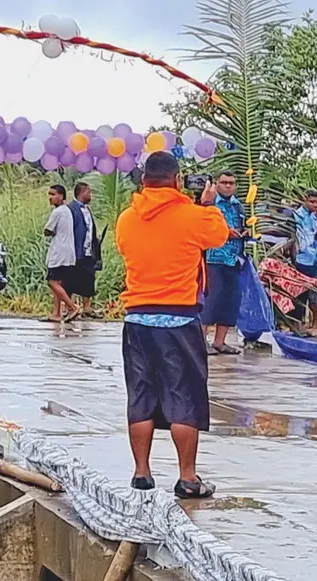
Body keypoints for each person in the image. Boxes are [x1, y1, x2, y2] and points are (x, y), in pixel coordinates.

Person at [113, 150, 230, 499]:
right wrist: (208, 205)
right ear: (177, 180)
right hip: (178, 319)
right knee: (185, 398)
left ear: (144, 181)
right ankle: (188, 478)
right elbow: (219, 236)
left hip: (137, 319)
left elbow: (126, 249)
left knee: (141, 395)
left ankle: (141, 473)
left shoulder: (126, 219)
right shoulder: (193, 215)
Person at [201, 170, 248, 355]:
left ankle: (220, 342)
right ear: (217, 184)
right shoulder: (210, 203)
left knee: (231, 301)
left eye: (231, 183)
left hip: (235, 258)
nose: (228, 186)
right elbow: (204, 226)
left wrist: (245, 232)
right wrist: (225, 232)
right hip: (214, 257)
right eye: (224, 182)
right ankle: (201, 340)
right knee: (211, 300)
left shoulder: (239, 207)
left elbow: (244, 225)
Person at [279, 191, 317, 335]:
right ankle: (295, 324)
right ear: (304, 201)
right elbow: (291, 237)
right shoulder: (294, 215)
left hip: (312, 259)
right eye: (311, 202)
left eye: (316, 202)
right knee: (297, 294)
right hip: (298, 260)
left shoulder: (313, 217)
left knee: (314, 293)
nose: (314, 205)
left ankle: (313, 325)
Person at [43, 184, 79, 322]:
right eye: (49, 195)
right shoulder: (67, 211)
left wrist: (49, 231)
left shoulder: (57, 212)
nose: (50, 198)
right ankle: (56, 313)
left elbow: (48, 230)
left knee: (52, 282)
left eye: (53, 194)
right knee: (58, 283)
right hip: (68, 252)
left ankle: (72, 307)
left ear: (61, 196)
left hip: (59, 252)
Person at [71, 181, 100, 316]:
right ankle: (70, 307)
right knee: (72, 278)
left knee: (88, 278)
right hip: (76, 251)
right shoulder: (71, 209)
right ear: (82, 193)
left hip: (89, 251)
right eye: (88, 192)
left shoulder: (87, 210)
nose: (90, 195)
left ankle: (87, 307)